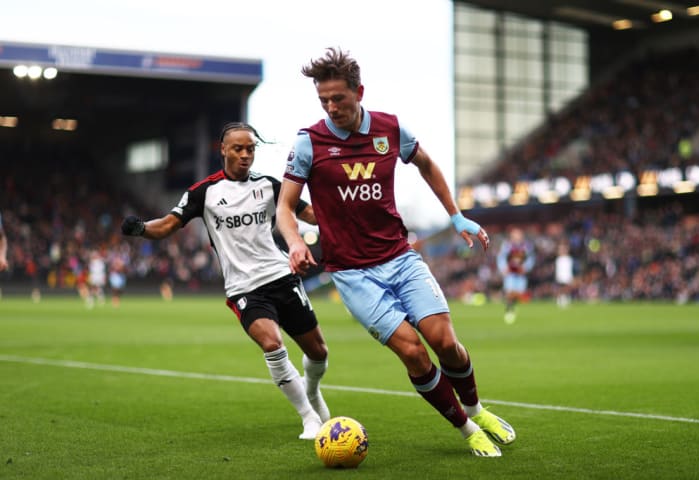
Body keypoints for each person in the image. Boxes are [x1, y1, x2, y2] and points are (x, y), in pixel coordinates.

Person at [276, 47, 515, 457]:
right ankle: (466, 427)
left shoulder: (390, 129)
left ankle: (477, 407)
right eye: (324, 101)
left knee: (446, 344)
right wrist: (296, 240)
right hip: (353, 274)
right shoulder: (309, 143)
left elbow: (426, 164)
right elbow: (284, 206)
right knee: (413, 352)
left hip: (401, 259)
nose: (332, 108)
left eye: (340, 99)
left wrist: (456, 216)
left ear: (359, 92)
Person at [121, 122, 331, 440]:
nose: (245, 155)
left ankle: (312, 390)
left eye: (250, 149)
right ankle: (308, 418)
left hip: (281, 277)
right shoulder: (204, 192)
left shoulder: (269, 186)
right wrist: (140, 228)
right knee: (272, 344)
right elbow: (166, 225)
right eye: (238, 148)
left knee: (318, 352)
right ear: (223, 149)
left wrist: (343, 208)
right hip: (244, 288)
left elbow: (309, 214)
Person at [496, 228, 535, 324]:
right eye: (514, 236)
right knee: (509, 292)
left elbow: (531, 259)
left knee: (519, 294)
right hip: (510, 274)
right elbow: (501, 257)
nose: (516, 238)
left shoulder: (526, 246)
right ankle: (509, 310)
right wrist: (503, 268)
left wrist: (526, 268)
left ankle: (514, 308)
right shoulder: (507, 246)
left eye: (518, 235)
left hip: (520, 274)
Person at [554, 242, 574, 308]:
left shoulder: (569, 259)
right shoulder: (558, 259)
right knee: (560, 289)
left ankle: (566, 299)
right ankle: (560, 299)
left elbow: (570, 269)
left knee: (566, 289)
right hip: (560, 276)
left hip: (567, 276)